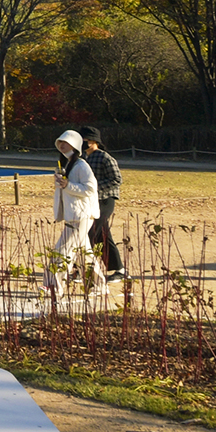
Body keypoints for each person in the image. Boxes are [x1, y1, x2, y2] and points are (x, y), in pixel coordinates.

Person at [48, 128, 105, 302]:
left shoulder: (81, 165)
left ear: (75, 145)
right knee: (84, 254)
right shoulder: (65, 164)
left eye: (66, 142)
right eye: (60, 142)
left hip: (81, 216)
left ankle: (54, 288)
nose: (62, 145)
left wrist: (68, 185)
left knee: (62, 251)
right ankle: (99, 285)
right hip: (73, 215)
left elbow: (90, 189)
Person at [78, 124, 125, 279]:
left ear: (94, 141)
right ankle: (119, 270)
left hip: (105, 200)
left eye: (86, 140)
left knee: (91, 232)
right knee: (102, 235)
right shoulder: (83, 158)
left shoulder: (105, 157)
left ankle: (82, 268)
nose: (83, 143)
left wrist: (94, 188)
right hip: (90, 201)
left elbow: (116, 179)